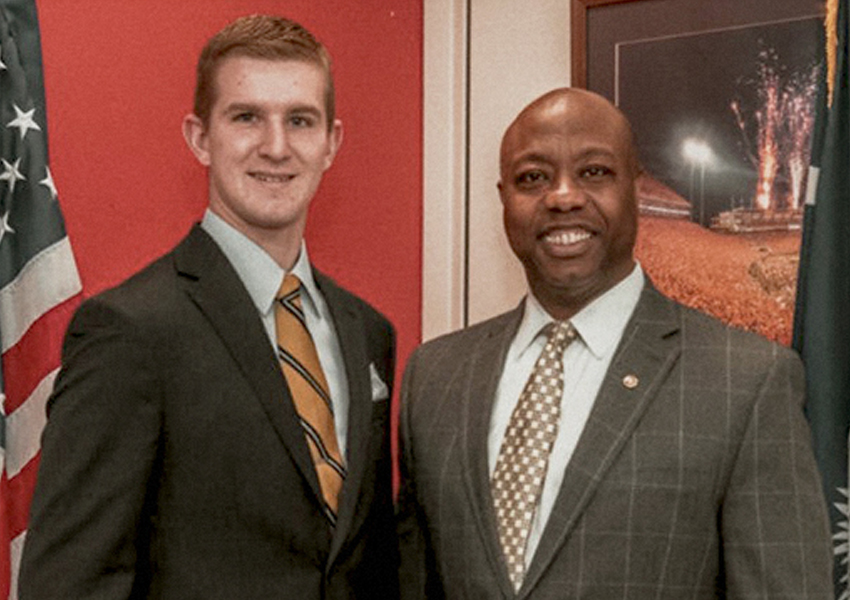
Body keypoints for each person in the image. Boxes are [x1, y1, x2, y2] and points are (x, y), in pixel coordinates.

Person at [396, 87, 832, 598]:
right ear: (504, 200)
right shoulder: (435, 377)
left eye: (594, 173)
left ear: (637, 190)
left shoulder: (747, 381)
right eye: (532, 178)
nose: (563, 197)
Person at [19, 14, 397, 599]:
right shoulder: (130, 330)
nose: (276, 146)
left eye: (300, 120)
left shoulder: (367, 332)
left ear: (331, 143)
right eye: (246, 117)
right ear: (200, 137)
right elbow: (71, 583)